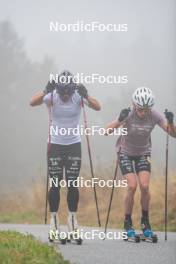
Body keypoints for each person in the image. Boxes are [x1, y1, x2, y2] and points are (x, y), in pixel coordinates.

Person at [30, 70, 101, 239]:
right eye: (62, 93)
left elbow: (98, 107)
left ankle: (72, 220)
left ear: (72, 89)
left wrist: (87, 95)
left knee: (72, 184)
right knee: (55, 184)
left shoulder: (77, 96)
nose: (65, 96)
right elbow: (32, 102)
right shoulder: (52, 95)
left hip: (73, 146)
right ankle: (54, 221)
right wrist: (45, 90)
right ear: (58, 89)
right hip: (54, 145)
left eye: (68, 93)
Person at [105, 87, 176, 238]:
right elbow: (106, 131)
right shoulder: (128, 113)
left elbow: (172, 134)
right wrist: (119, 119)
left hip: (143, 152)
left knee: (144, 186)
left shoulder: (154, 115)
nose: (143, 113)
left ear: (150, 107)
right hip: (125, 152)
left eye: (146, 109)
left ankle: (145, 222)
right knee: (132, 186)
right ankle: (127, 222)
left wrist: (171, 122)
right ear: (134, 104)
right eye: (140, 109)